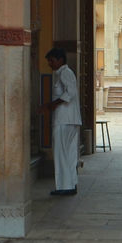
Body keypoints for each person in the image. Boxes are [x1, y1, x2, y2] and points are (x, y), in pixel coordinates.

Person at [41, 47, 82, 195]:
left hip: (64, 119)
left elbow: (70, 92)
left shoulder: (65, 73)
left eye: (51, 61)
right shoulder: (63, 73)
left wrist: (53, 104)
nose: (50, 64)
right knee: (69, 154)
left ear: (60, 60)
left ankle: (65, 186)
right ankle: (70, 184)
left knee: (61, 153)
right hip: (69, 119)